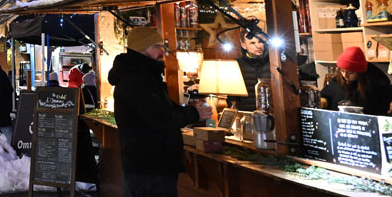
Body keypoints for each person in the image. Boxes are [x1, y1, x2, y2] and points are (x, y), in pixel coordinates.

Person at [108, 27, 212, 197]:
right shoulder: (137, 80)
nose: (162, 51)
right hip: (150, 167)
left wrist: (192, 109)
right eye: (156, 46)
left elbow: (164, 109)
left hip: (147, 165)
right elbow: (161, 119)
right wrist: (194, 114)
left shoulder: (145, 76)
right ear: (141, 48)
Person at [320, 46, 392, 115]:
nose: (345, 75)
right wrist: (322, 102)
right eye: (342, 71)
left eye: (350, 72)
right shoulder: (337, 81)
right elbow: (326, 96)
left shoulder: (376, 83)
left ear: (360, 72)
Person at [233, 30, 270, 111]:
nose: (258, 46)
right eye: (252, 43)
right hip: (245, 112)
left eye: (260, 42)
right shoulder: (237, 64)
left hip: (270, 112)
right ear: (244, 45)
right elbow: (231, 94)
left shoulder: (273, 62)